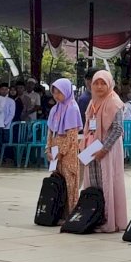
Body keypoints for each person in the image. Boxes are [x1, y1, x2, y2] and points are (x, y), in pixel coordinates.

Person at [83, 70, 127, 233]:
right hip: (92, 147)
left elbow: (117, 129)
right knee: (95, 183)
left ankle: (110, 220)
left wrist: (104, 149)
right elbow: (88, 126)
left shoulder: (114, 102)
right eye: (96, 83)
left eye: (103, 83)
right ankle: (94, 216)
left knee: (109, 183)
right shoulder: (93, 102)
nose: (100, 87)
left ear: (109, 84)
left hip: (109, 149)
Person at [45, 78, 83, 219]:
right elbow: (50, 131)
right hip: (55, 150)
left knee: (69, 182)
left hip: (68, 153)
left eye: (59, 92)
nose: (56, 96)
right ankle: (58, 213)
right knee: (58, 181)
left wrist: (61, 152)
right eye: (54, 92)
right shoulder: (55, 109)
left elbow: (72, 136)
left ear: (67, 91)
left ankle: (70, 214)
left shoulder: (72, 108)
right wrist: (48, 150)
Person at [0, 83, 15, 156]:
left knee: (6, 141)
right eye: (2, 89)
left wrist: (5, 123)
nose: (4, 91)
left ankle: (6, 157)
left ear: (8, 91)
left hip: (6, 125)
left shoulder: (11, 101)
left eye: (6, 89)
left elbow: (11, 114)